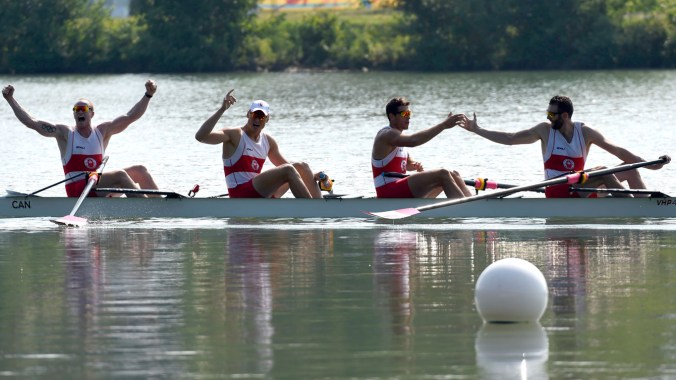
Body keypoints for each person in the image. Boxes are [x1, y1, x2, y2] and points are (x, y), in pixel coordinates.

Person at [460, 95, 671, 198]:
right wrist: (477, 130)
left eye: (552, 114)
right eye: (548, 113)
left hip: (580, 187)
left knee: (629, 167)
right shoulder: (544, 130)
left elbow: (620, 152)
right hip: (557, 189)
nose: (548, 117)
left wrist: (652, 166)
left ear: (566, 116)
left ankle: (651, 205)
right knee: (602, 170)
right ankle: (633, 208)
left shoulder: (585, 132)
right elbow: (511, 138)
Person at [2, 80, 160, 198]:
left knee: (140, 170)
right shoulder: (64, 133)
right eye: (76, 110)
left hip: (95, 185)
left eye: (83, 109)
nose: (79, 112)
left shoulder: (103, 131)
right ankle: (147, 209)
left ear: (92, 113)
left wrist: (148, 95)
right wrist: (10, 99)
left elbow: (130, 117)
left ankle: (165, 206)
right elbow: (32, 123)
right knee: (119, 174)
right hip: (76, 188)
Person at [195, 89, 325, 198]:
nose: (257, 119)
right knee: (289, 169)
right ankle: (312, 210)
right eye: (254, 115)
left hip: (259, 192)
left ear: (267, 119)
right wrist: (222, 109)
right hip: (240, 194)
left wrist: (311, 176)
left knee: (301, 167)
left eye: (261, 116)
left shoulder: (268, 141)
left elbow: (290, 169)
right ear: (248, 115)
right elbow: (201, 137)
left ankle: (321, 208)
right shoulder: (234, 135)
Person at [372, 97, 473, 198]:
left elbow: (407, 164)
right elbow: (414, 141)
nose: (408, 117)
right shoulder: (386, 134)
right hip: (387, 191)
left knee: (453, 174)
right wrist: (444, 125)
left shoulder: (398, 138)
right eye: (404, 114)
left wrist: (413, 165)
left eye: (409, 113)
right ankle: (466, 208)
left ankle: (471, 203)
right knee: (443, 174)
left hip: (399, 188)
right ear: (392, 116)